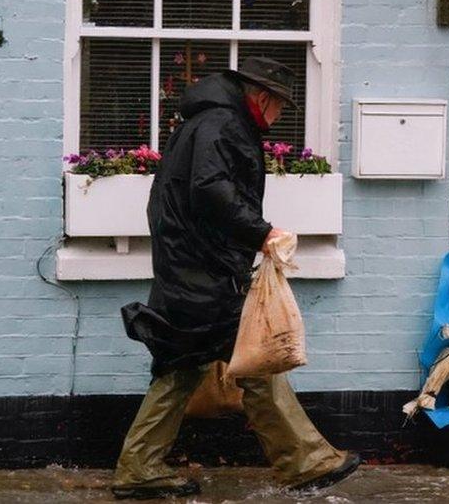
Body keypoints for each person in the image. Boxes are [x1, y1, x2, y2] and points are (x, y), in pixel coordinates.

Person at [112, 57, 360, 500]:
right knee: (256, 358)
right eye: (280, 107)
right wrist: (261, 233)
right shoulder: (224, 125)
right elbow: (210, 189)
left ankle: (138, 467)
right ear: (262, 98)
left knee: (180, 365)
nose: (279, 117)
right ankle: (305, 460)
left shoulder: (205, 122)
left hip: (188, 265)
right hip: (204, 271)